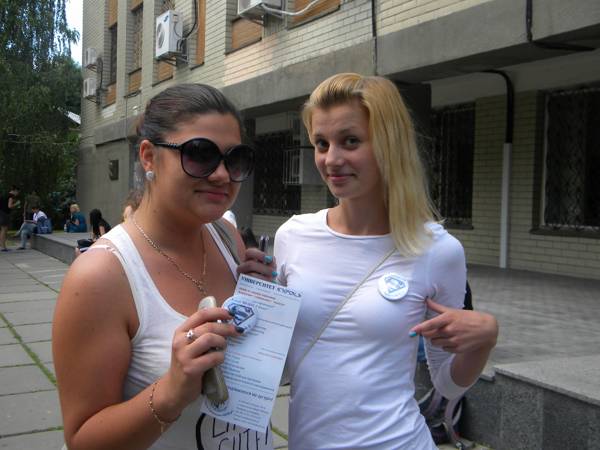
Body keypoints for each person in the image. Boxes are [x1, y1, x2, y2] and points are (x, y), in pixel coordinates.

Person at [273, 73, 499, 449]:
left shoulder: (437, 250)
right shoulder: (292, 237)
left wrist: (484, 340)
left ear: (389, 144)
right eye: (321, 143)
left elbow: (446, 383)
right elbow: (277, 360)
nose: (332, 159)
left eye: (350, 141)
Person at [53, 83, 277, 450]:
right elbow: (82, 439)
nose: (222, 174)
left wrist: (263, 301)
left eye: (234, 159)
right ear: (149, 157)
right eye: (200, 154)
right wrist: (172, 391)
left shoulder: (228, 238)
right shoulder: (101, 275)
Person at [0, 186, 20, 252]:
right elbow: (10, 206)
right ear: (15, 190)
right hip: (5, 214)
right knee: (4, 230)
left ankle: (3, 246)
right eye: (17, 192)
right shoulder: (11, 196)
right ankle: (3, 247)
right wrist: (16, 204)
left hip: (2, 213)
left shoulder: (5, 195)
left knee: (3, 230)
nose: (17, 194)